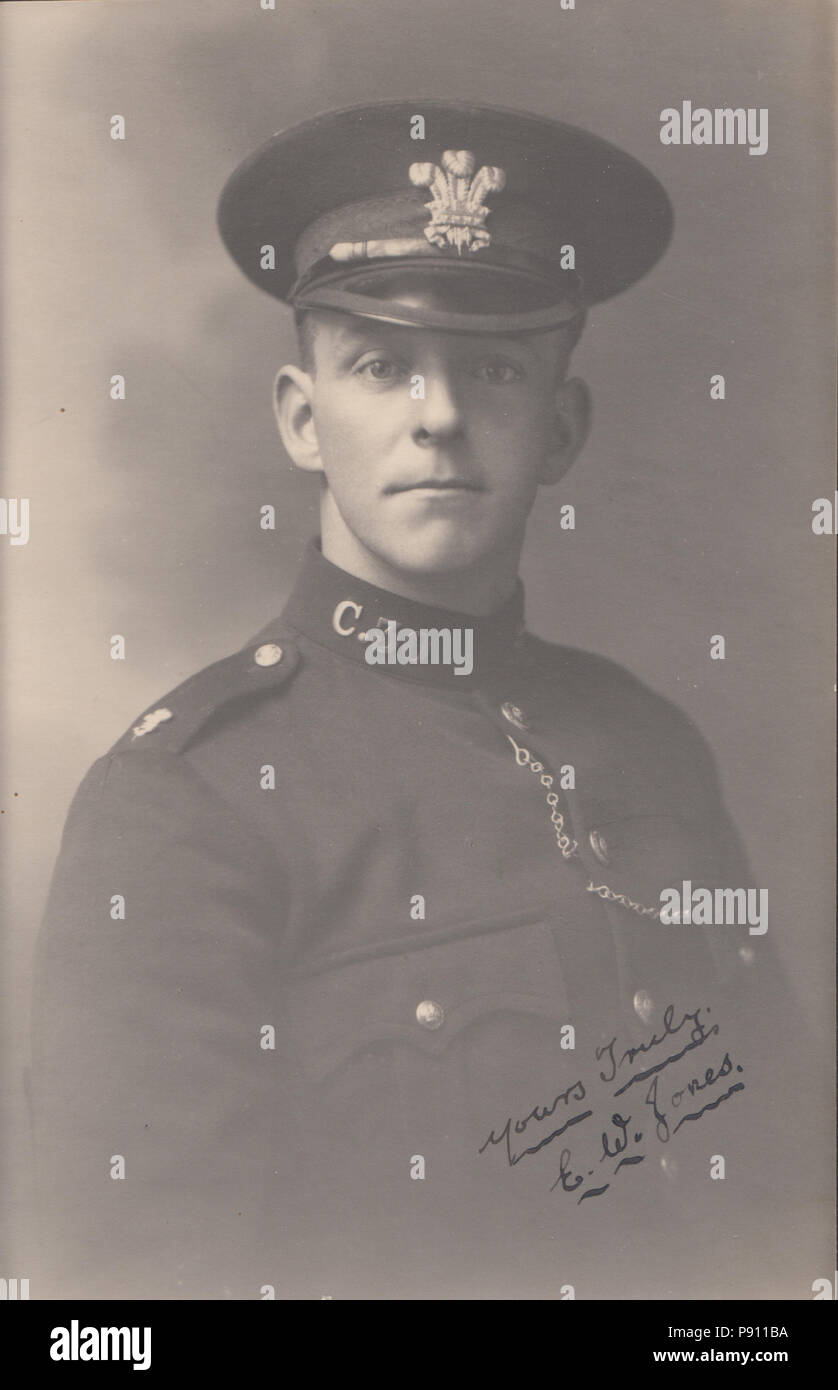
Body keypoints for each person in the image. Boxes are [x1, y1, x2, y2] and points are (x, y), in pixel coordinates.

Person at [30, 101, 813, 1300]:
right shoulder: (184, 806)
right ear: (302, 417)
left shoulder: (648, 745)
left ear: (560, 427)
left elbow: (782, 1197)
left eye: (492, 367)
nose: (437, 415)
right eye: (382, 364)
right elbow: (129, 1306)